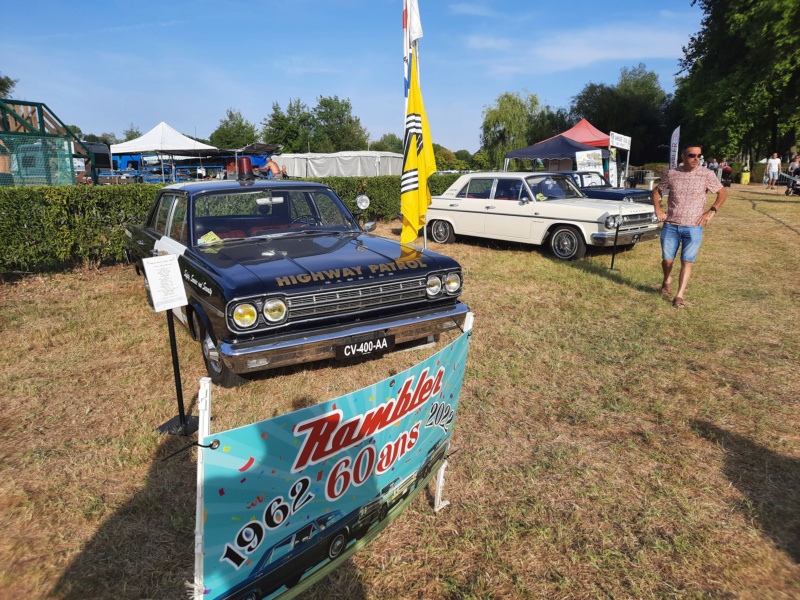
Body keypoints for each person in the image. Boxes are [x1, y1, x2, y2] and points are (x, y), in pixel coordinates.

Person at [652, 145, 727, 308]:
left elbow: (722, 192)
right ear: (683, 156)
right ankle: (666, 279)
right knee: (667, 260)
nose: (696, 158)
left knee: (687, 261)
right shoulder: (673, 174)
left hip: (694, 226)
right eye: (692, 155)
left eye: (699, 155)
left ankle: (679, 296)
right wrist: (658, 210)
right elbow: (657, 191)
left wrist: (711, 211)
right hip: (671, 224)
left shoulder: (707, 174)